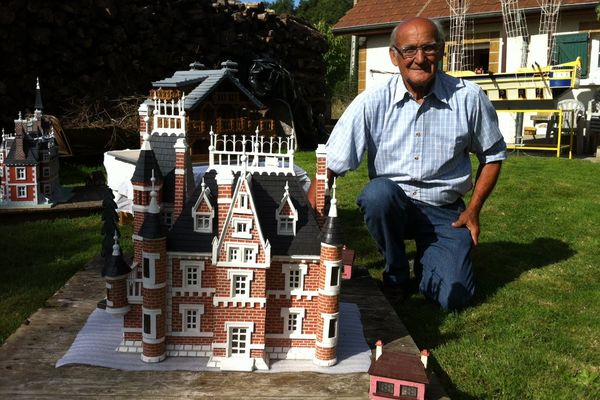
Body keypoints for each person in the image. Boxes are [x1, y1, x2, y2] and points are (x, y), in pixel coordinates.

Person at [307, 17, 506, 311]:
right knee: (377, 195)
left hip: (445, 211)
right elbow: (331, 165)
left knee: (454, 298)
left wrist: (473, 211)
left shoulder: (469, 98)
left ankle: (428, 264)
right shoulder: (371, 101)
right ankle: (396, 275)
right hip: (393, 205)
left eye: (429, 48)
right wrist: (308, 233)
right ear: (394, 56)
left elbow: (493, 156)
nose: (420, 59)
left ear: (441, 51)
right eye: (410, 50)